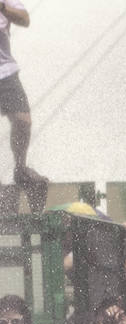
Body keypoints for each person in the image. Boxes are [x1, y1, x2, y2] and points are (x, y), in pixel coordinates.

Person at [0, 0, 40, 190]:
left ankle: (20, 168)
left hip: (4, 71)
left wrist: (2, 7)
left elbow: (24, 19)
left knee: (23, 120)